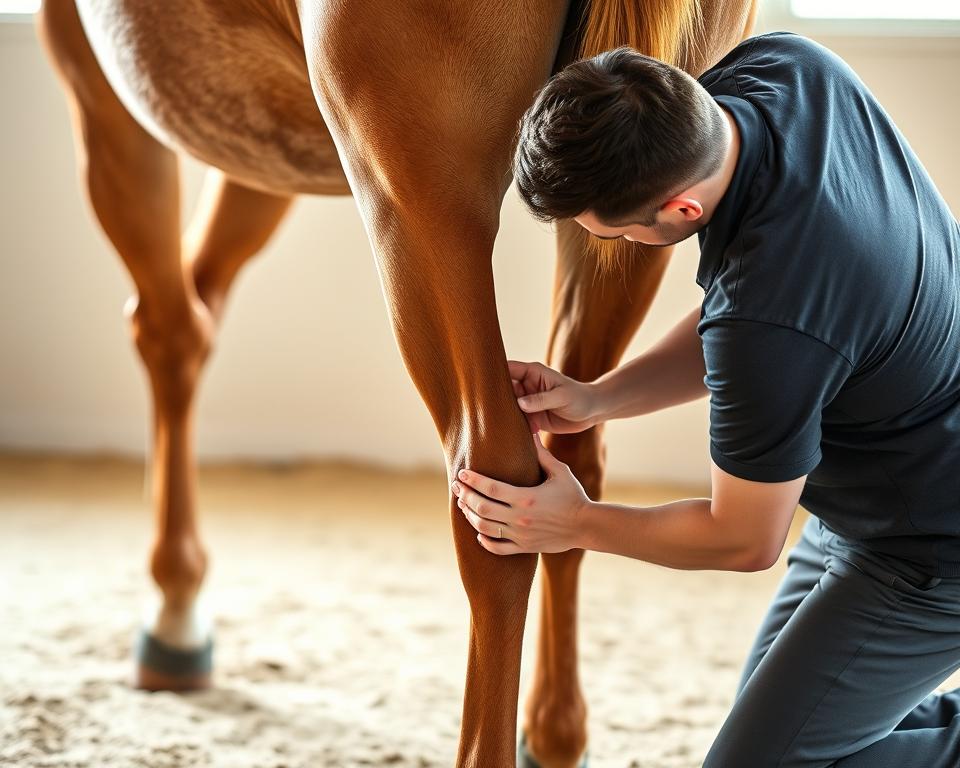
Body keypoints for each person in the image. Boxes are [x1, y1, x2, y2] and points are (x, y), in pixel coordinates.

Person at [450, 31, 960, 767]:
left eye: (613, 232)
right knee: (813, 729)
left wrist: (578, 521)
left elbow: (743, 539)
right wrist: (598, 398)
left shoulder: (768, 315)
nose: (607, 242)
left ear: (683, 209)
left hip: (931, 544)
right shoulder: (787, 69)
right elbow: (773, 316)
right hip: (879, 484)